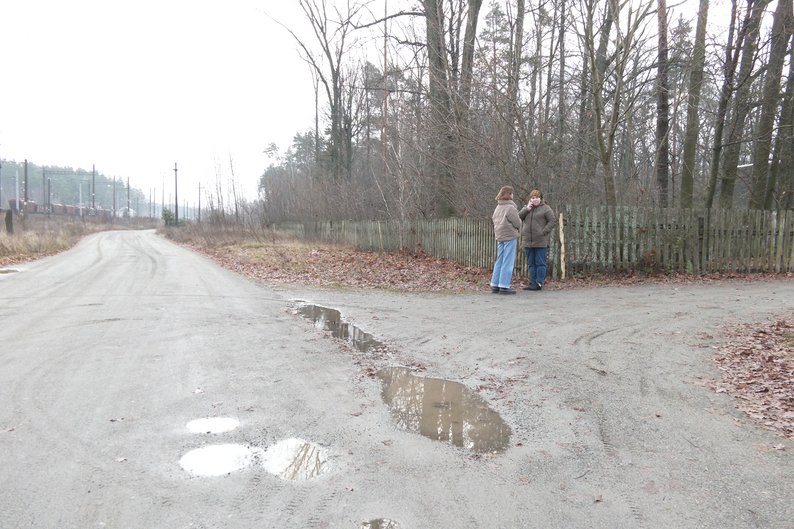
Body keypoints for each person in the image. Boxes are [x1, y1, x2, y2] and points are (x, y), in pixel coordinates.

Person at [518, 189, 556, 291]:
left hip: (540, 241)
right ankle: (532, 282)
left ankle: (539, 283)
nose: (535, 200)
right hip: (527, 241)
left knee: (540, 263)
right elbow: (519, 217)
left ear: (541, 198)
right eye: (533, 198)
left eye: (537, 198)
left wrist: (543, 232)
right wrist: (527, 209)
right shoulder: (527, 208)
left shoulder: (546, 208)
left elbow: (552, 220)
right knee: (531, 263)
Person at [490, 186, 521, 295]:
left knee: (499, 260)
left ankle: (495, 283)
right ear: (510, 194)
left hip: (500, 236)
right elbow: (517, 222)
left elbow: (494, 219)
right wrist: (518, 229)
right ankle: (504, 285)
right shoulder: (510, 207)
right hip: (509, 236)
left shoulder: (498, 207)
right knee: (508, 261)